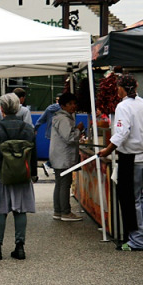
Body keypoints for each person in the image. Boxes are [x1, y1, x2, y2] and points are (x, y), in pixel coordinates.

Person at [98, 74, 143, 251]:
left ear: (122, 88)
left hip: (130, 159)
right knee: (140, 197)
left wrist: (107, 150)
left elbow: (122, 133)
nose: (117, 90)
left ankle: (137, 240)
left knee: (132, 200)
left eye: (118, 87)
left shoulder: (123, 106)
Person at [0, 93, 37, 260]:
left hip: (0, 175)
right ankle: (19, 247)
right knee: (20, 211)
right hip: (21, 175)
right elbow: (33, 153)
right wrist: (33, 173)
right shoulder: (28, 128)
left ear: (3, 109)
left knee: (0, 211)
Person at [48, 92, 85, 222]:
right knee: (64, 184)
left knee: (59, 183)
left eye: (74, 103)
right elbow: (69, 138)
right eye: (69, 104)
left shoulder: (60, 117)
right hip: (63, 156)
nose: (73, 106)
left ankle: (58, 211)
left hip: (59, 156)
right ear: (63, 105)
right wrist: (79, 130)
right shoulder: (64, 119)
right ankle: (65, 212)